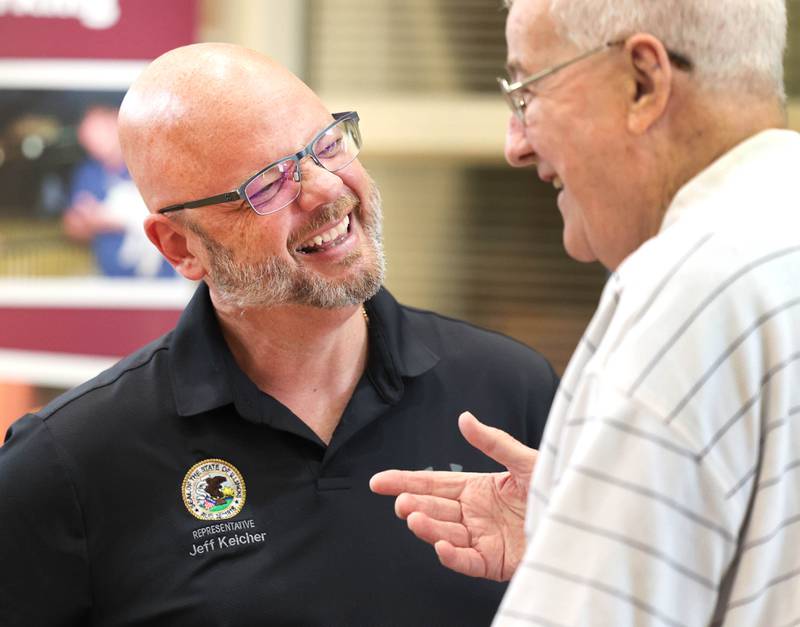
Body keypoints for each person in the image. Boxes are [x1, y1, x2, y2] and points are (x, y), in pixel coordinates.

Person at [0, 43, 559, 627]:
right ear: (180, 246)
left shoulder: (510, 392)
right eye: (268, 185)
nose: (325, 191)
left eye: (328, 145)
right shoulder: (65, 466)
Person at [371, 1, 800, 625]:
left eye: (527, 91)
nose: (515, 143)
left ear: (642, 83)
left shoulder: (683, 290)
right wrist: (580, 518)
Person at [63, 105, 175, 277]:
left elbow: (174, 217)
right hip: (111, 279)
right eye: (89, 140)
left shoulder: (152, 165)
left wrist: (108, 220)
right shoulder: (89, 172)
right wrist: (95, 222)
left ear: (118, 124)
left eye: (100, 132)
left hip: (160, 278)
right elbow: (73, 225)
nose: (96, 144)